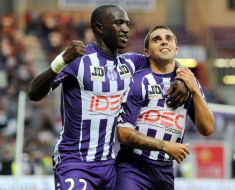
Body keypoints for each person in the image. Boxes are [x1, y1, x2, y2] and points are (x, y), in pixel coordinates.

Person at [28, 5, 188, 190]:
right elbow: (34, 93)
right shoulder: (78, 60)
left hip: (109, 166)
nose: (126, 29)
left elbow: (163, 58)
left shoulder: (130, 63)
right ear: (99, 27)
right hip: (74, 162)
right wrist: (61, 60)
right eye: (119, 23)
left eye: (127, 24)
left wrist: (182, 77)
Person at [115, 25, 215, 190]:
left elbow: (207, 129)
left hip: (165, 171)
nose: (163, 42)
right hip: (133, 168)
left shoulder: (189, 81)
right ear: (147, 52)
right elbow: (123, 134)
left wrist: (195, 91)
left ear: (176, 49)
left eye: (168, 39)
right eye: (157, 39)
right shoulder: (138, 81)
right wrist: (164, 145)